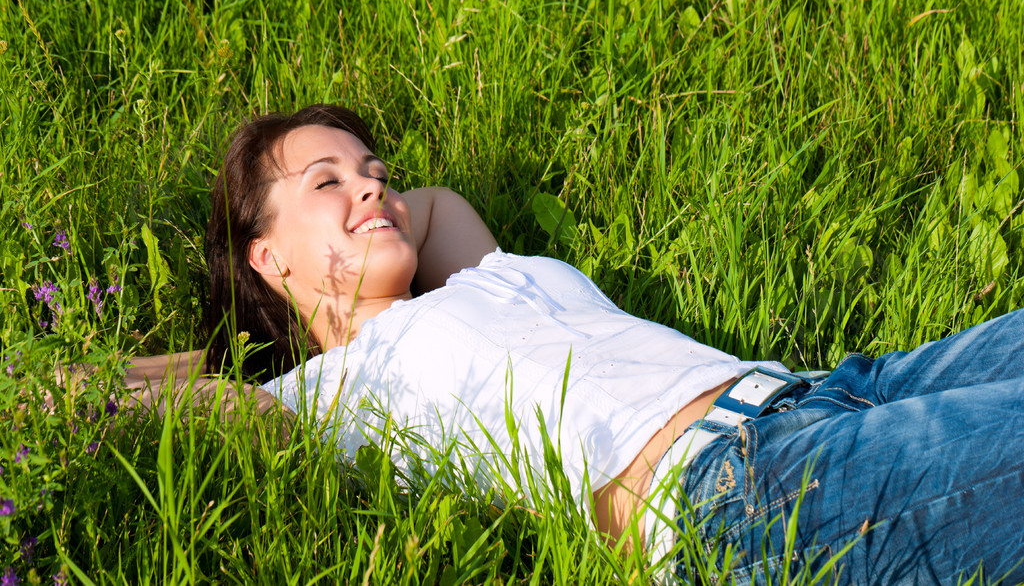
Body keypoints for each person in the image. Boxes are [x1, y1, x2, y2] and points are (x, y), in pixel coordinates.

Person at [151, 104, 1023, 585]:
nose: (375, 187)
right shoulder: (320, 397)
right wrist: (252, 339)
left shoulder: (473, 272)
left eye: (375, 169)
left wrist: (350, 229)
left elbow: (440, 200)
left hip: (838, 388)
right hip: (746, 496)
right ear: (264, 254)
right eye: (327, 181)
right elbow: (81, 387)